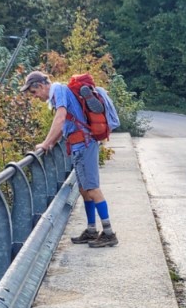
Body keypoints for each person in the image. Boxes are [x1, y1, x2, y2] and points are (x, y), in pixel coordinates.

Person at [25, 69, 117, 248]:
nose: (35, 97)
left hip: (84, 144)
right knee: (84, 189)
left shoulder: (58, 90)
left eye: (34, 92)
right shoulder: (58, 94)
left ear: (41, 85)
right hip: (78, 146)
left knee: (92, 188)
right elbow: (66, 124)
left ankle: (109, 233)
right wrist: (52, 141)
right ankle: (91, 230)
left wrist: (45, 143)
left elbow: (60, 119)